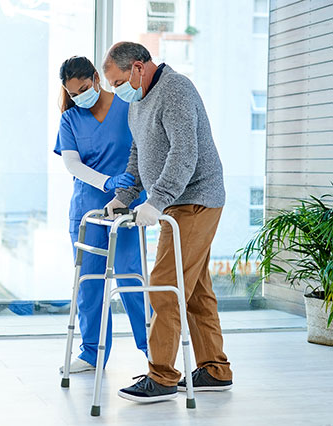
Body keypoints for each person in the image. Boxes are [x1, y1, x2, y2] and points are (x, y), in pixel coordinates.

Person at [101, 42, 233, 402]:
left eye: (117, 82)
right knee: (195, 291)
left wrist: (156, 201)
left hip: (196, 199)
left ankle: (161, 377)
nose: (117, 90)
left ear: (138, 68)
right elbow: (138, 153)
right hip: (175, 202)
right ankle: (215, 369)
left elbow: (184, 154)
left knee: (164, 284)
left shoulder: (175, 89)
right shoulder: (138, 102)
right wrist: (125, 197)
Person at [55, 56, 148, 374]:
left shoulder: (127, 106)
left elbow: (147, 148)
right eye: (73, 92)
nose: (80, 96)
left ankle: (154, 351)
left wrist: (128, 188)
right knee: (89, 282)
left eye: (83, 88)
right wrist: (106, 181)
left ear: (96, 78)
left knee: (129, 275)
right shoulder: (70, 119)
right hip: (88, 209)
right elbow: (72, 163)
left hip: (127, 206)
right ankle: (92, 353)